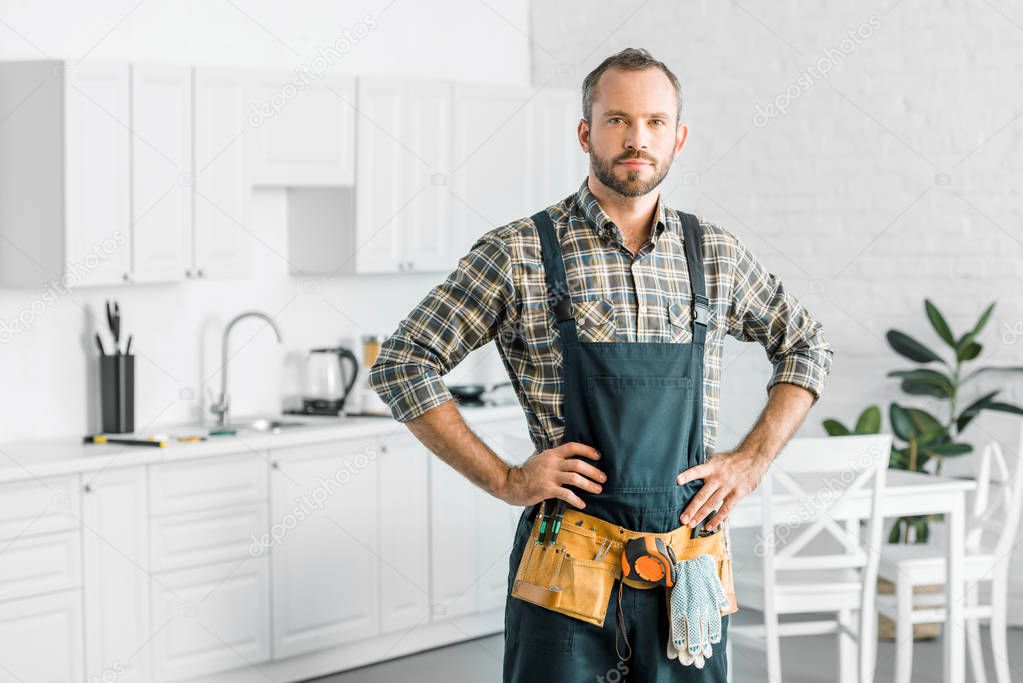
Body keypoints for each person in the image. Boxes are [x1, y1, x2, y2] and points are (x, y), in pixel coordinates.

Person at [369, 47, 834, 683]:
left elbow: (807, 345)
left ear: (679, 137)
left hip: (686, 570)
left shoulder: (716, 255)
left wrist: (751, 462)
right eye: (617, 120)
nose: (636, 138)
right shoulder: (520, 251)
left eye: (654, 122)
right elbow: (402, 362)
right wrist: (506, 480)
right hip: (565, 573)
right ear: (586, 132)